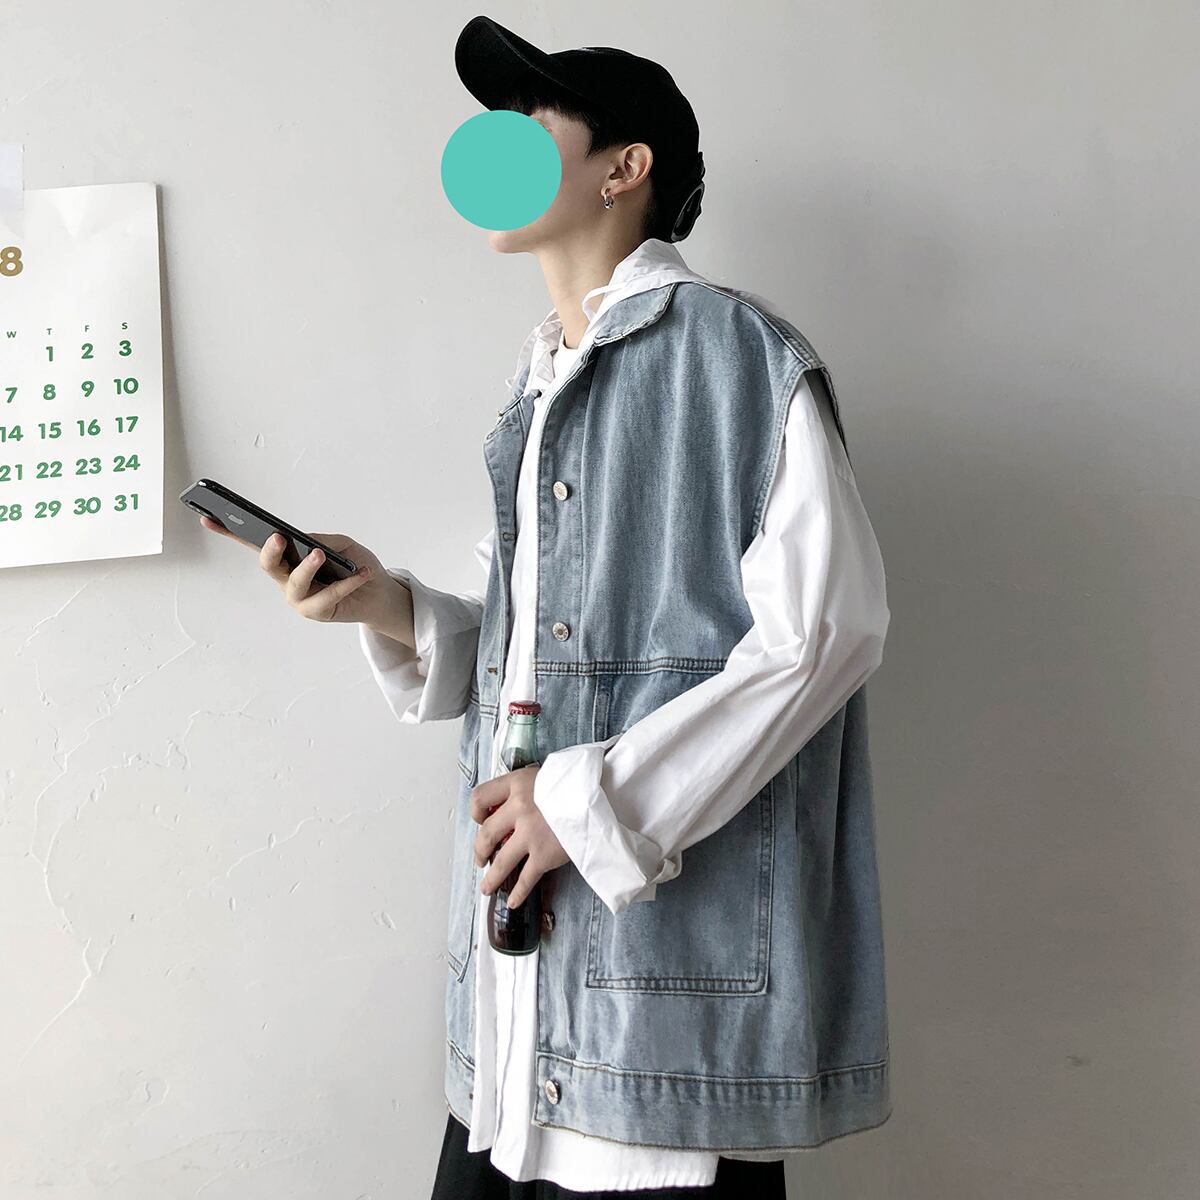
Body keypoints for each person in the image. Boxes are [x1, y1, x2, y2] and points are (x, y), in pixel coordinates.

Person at [200, 16, 892, 1199]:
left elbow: (829, 634)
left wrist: (585, 803)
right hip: (520, 1021)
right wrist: (388, 607)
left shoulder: (740, 355)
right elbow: (542, 651)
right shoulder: (539, 380)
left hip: (663, 1030)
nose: (495, 144)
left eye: (531, 119)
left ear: (625, 168)